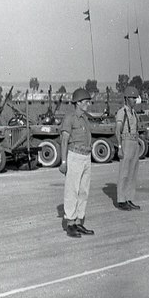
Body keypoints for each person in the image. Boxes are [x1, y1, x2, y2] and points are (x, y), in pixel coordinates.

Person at [59, 88, 95, 238]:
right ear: (78, 103)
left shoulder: (85, 118)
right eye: (86, 102)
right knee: (72, 191)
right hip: (74, 156)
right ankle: (70, 224)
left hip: (86, 156)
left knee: (83, 191)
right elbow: (64, 140)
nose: (88, 104)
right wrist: (63, 161)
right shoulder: (70, 118)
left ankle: (79, 222)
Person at [114, 86, 143, 211]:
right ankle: (121, 200)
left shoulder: (134, 113)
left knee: (132, 172)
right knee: (124, 172)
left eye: (135, 98)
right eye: (132, 98)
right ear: (126, 98)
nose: (134, 100)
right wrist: (120, 147)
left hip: (134, 142)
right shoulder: (122, 112)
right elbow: (117, 130)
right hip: (126, 141)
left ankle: (129, 198)